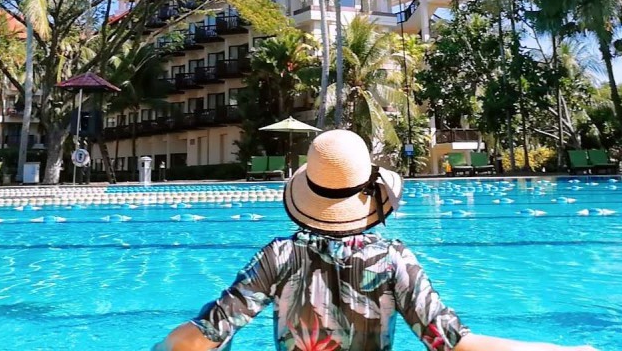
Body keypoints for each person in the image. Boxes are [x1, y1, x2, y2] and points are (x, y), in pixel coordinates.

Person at [154, 130, 599, 351]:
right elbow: (455, 343)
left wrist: (161, 347)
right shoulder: (392, 259)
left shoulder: (278, 255)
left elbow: (207, 334)